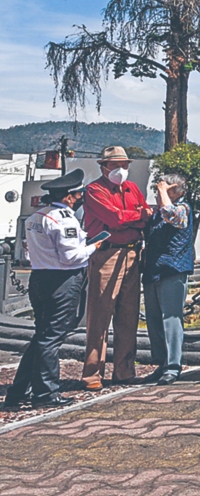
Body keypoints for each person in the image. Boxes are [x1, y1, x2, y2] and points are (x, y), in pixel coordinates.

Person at [3, 171, 104, 410]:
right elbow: (72, 256)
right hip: (63, 280)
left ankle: (19, 391)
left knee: (42, 336)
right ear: (69, 197)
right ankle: (46, 392)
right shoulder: (64, 219)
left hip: (40, 278)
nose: (80, 197)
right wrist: (93, 246)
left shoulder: (36, 217)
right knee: (51, 338)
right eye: (78, 194)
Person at [82, 145, 153, 390]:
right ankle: (92, 373)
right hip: (106, 253)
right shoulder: (93, 190)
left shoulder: (133, 188)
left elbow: (146, 215)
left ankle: (124, 371)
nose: (121, 170)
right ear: (103, 167)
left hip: (132, 253)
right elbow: (116, 218)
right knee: (100, 316)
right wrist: (136, 216)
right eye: (116, 166)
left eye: (125, 165)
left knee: (128, 315)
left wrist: (131, 216)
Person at [141, 174, 195, 386]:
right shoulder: (157, 213)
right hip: (154, 270)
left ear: (179, 192)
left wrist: (164, 193)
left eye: (168, 189)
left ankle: (173, 366)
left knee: (170, 319)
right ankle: (162, 363)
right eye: (159, 190)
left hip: (173, 270)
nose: (159, 193)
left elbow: (172, 215)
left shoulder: (183, 208)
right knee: (154, 320)